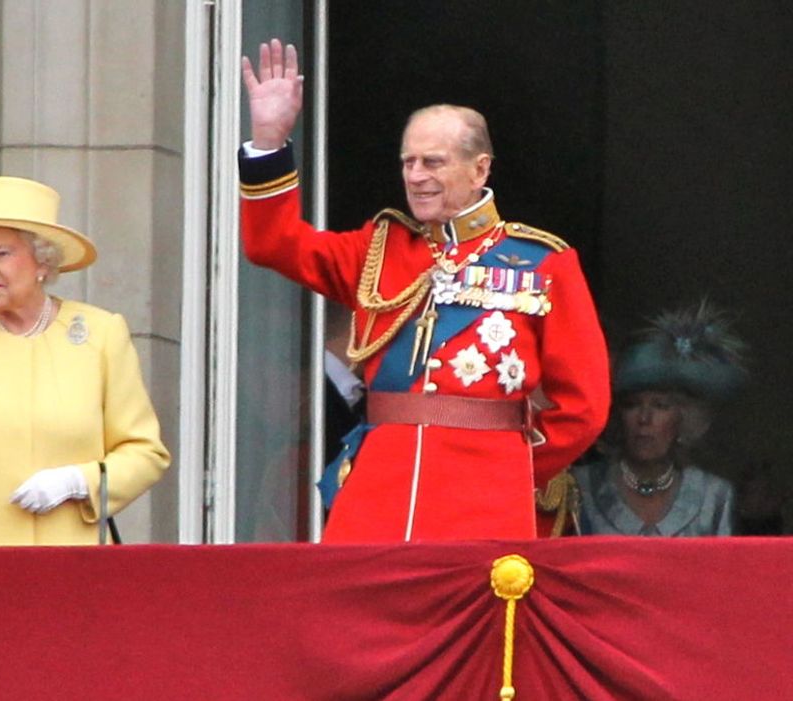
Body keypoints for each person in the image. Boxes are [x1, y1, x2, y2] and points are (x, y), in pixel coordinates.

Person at [240, 39, 610, 542]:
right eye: (407, 162)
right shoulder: (380, 248)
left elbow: (584, 406)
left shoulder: (545, 264)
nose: (416, 176)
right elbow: (273, 245)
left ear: (480, 169)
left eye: (432, 162)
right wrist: (268, 142)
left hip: (486, 508)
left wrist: (508, 467)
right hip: (376, 503)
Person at [0, 176, 171, 545]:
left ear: (43, 261)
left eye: (1, 254)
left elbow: (145, 453)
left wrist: (78, 482)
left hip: (69, 571)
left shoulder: (101, 335)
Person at [572, 303, 744, 536]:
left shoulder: (714, 495)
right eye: (632, 405)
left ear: (684, 418)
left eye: (661, 406)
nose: (644, 418)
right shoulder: (581, 488)